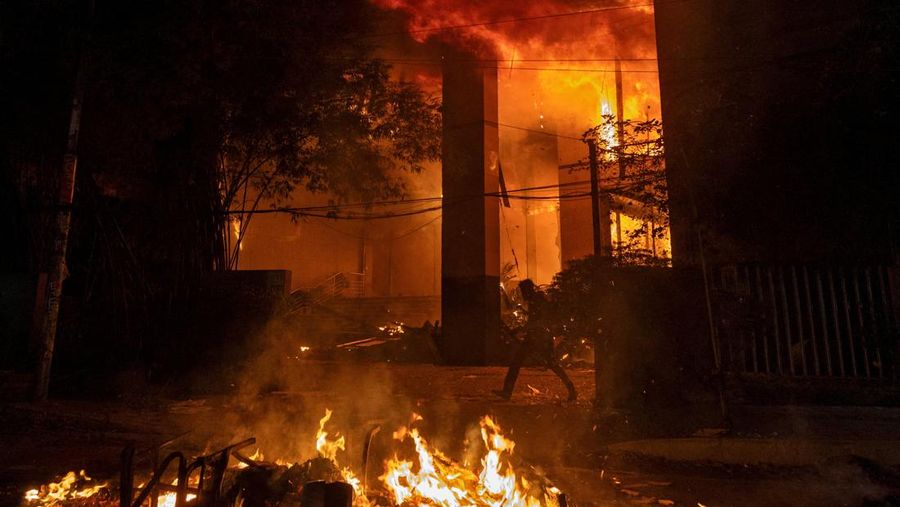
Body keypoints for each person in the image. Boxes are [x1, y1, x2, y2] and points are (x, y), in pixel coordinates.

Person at [494, 279, 577, 401]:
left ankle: (572, 390)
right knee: (520, 362)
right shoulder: (536, 300)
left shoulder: (538, 301)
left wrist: (520, 329)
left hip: (540, 337)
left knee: (549, 364)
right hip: (535, 336)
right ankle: (507, 391)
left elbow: (538, 321)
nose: (522, 294)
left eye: (523, 291)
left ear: (528, 290)